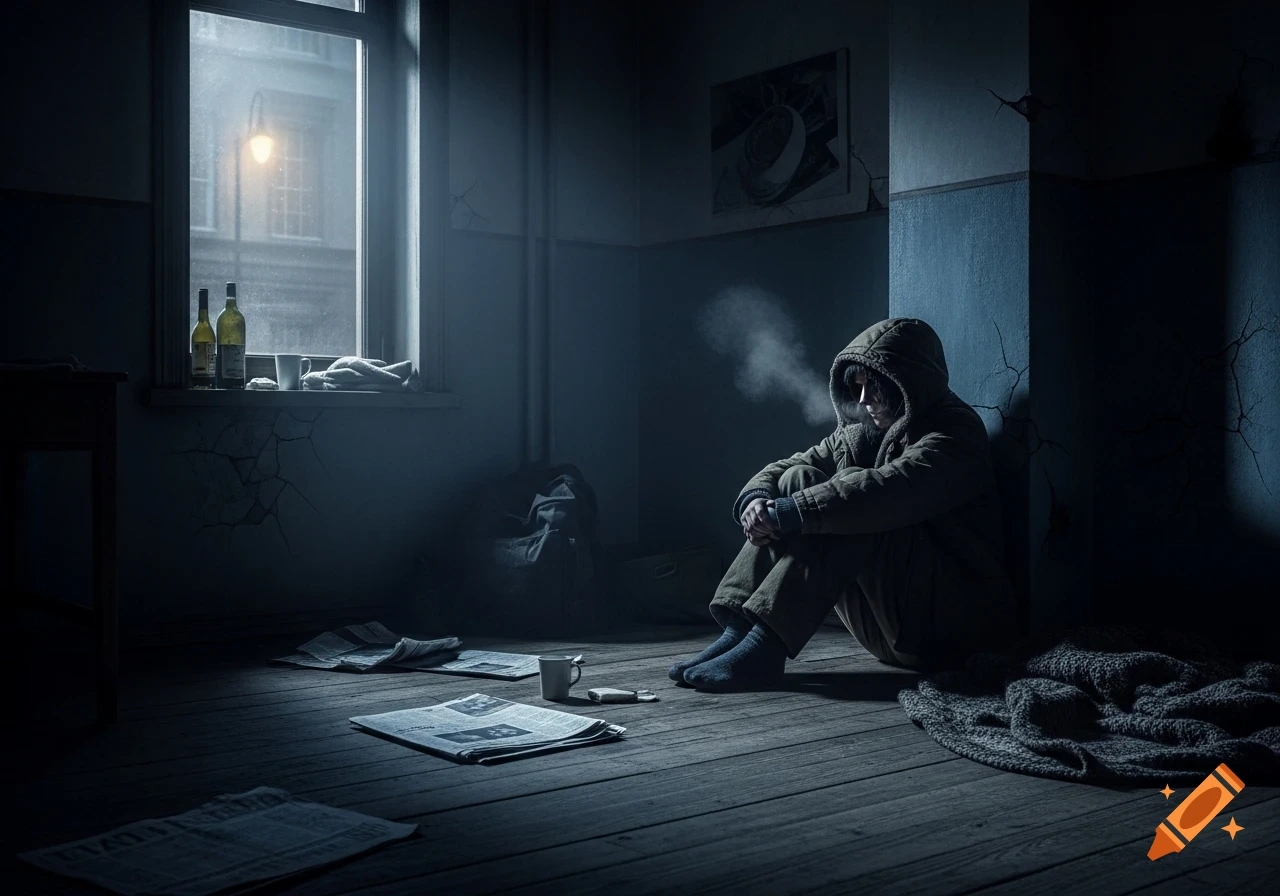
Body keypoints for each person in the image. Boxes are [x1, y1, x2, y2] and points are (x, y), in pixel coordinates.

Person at [670, 317, 1017, 692]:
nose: (863, 400)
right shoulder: (864, 432)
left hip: (947, 630)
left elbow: (890, 490)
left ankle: (764, 647)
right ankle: (738, 635)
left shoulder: (955, 434)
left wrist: (792, 512)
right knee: (795, 481)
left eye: (875, 386)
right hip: (888, 628)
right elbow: (790, 467)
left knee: (851, 497)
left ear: (908, 382)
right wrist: (756, 501)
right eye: (858, 386)